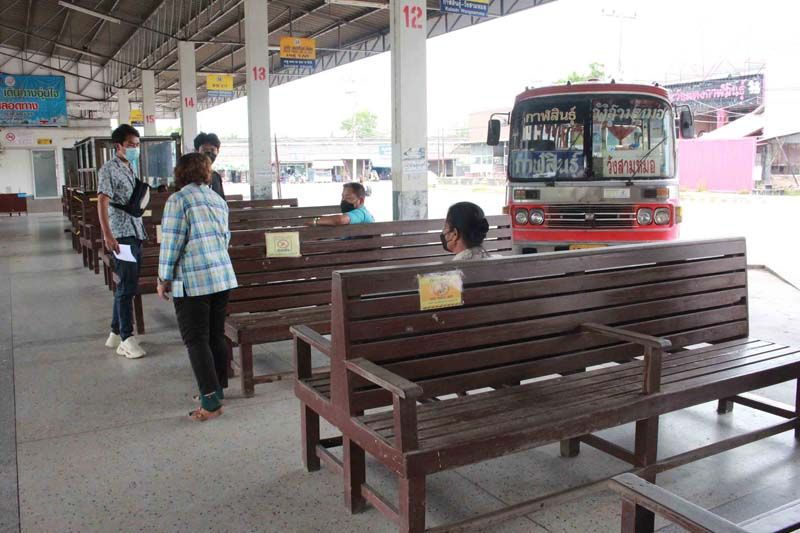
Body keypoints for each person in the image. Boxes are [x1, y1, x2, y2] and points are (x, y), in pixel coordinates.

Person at [157, 153, 238, 421]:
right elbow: (225, 237)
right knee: (215, 335)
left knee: (196, 340)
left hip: (193, 280)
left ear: (179, 173)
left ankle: (211, 403)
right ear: (206, 173)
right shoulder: (216, 199)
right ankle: (215, 389)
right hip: (221, 276)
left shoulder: (178, 200)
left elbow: (171, 242)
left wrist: (163, 278)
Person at [97, 124, 147, 359]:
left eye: (137, 145)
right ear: (118, 146)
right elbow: (102, 201)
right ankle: (127, 338)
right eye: (131, 145)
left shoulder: (131, 168)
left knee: (129, 282)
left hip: (135, 230)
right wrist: (108, 234)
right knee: (127, 285)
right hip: (120, 233)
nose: (135, 149)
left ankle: (115, 333)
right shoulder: (109, 169)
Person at [309, 182, 374, 226]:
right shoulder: (358, 213)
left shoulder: (361, 213)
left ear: (360, 201)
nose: (343, 201)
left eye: (348, 197)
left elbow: (340, 220)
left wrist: (315, 221)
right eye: (343, 197)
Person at [193, 132, 225, 199]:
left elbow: (222, 201)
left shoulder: (216, 177)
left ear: (218, 151)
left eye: (212, 150)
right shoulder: (190, 175)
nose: (209, 153)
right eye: (204, 150)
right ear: (196, 151)